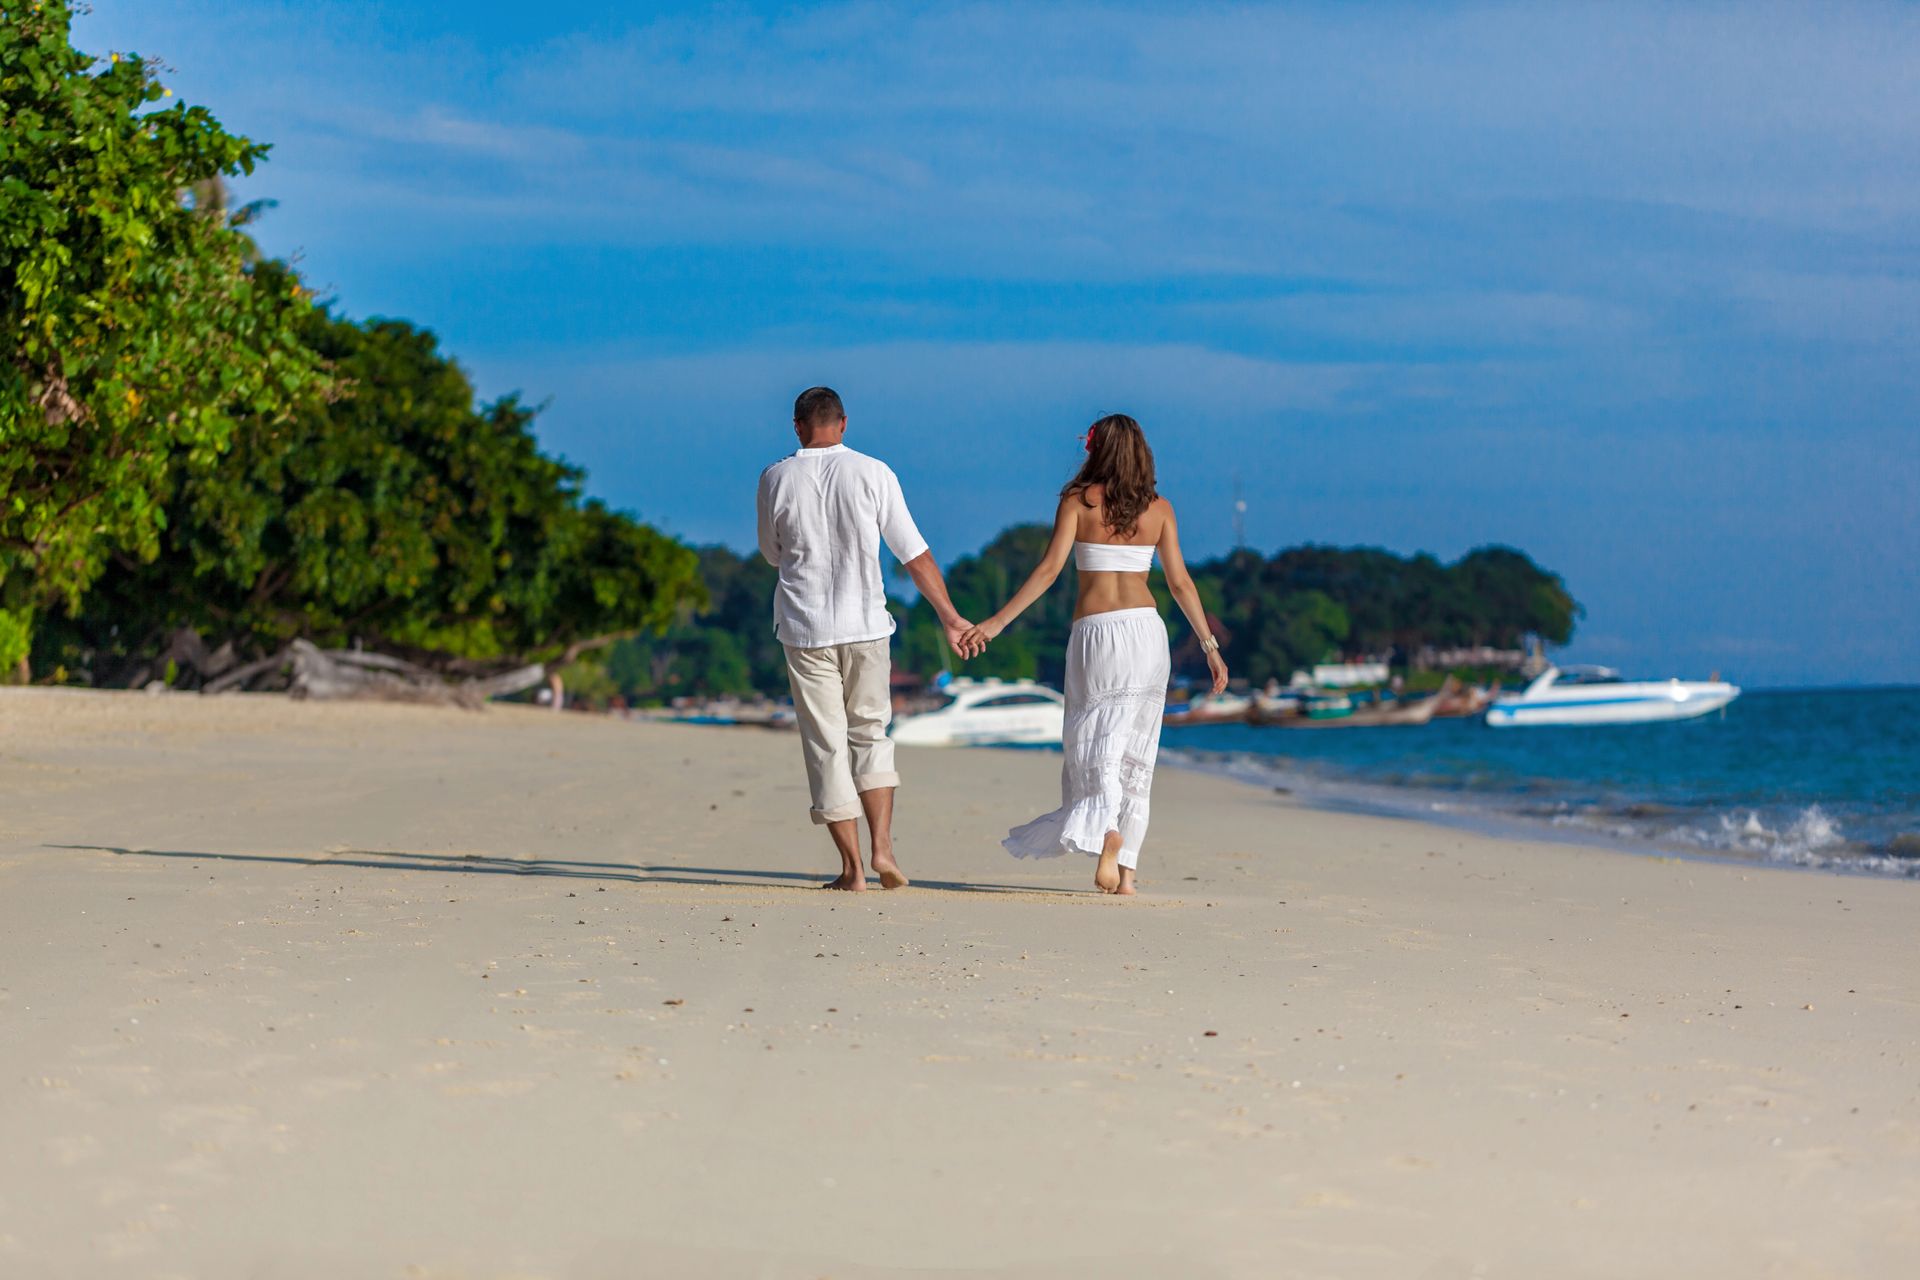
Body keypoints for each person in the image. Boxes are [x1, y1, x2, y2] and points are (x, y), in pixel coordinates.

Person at [960, 414, 1227, 895]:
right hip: (1149, 634)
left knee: (1096, 744)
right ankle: (1126, 875)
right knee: (1137, 753)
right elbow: (1181, 583)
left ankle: (1107, 834)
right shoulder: (1160, 509)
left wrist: (997, 623)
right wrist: (1210, 646)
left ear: (1095, 450)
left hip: (1099, 634)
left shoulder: (1078, 503)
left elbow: (1047, 572)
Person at [757, 386, 980, 891]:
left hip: (805, 628)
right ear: (843, 423)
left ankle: (853, 870)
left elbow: (772, 553)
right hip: (866, 627)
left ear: (796, 426)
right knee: (871, 736)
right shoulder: (874, 472)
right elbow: (914, 554)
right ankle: (884, 849)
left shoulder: (775, 477)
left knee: (826, 746)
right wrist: (950, 616)